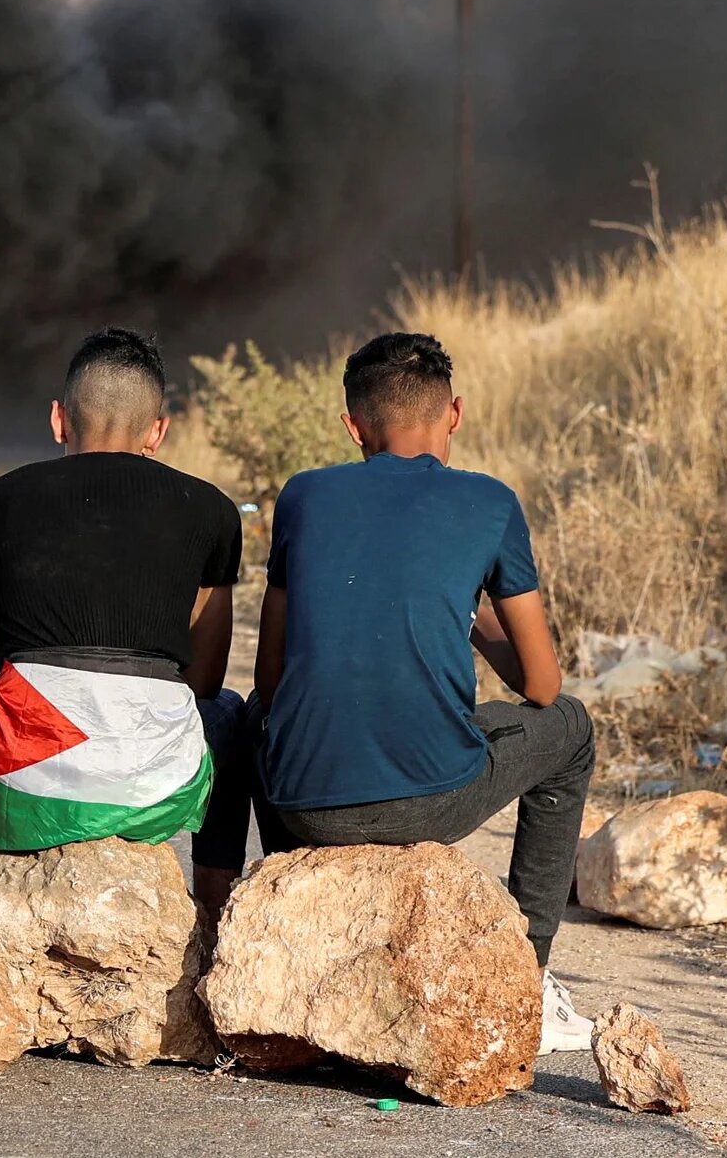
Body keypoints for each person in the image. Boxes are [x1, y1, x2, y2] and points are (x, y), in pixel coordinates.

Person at [251, 331, 598, 1052]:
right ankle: (527, 970)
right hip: (430, 799)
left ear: (353, 425)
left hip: (300, 805)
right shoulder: (490, 501)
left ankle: (280, 899)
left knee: (259, 715)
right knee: (572, 729)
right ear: (456, 413)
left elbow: (270, 678)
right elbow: (540, 683)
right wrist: (468, 618)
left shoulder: (304, 494)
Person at [0, 327, 251, 914]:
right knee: (227, 711)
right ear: (158, 430)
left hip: (22, 783)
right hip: (158, 794)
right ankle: (213, 917)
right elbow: (202, 679)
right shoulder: (213, 512)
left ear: (58, 420)